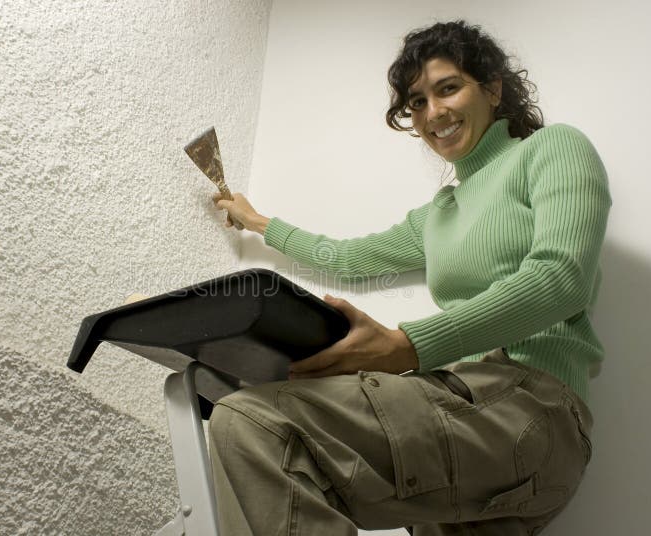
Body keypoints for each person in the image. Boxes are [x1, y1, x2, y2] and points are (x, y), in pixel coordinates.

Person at [209, 20, 611, 536]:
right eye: (416, 102)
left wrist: (409, 346)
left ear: (492, 88)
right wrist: (259, 222)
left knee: (255, 424)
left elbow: (562, 278)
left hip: (531, 407)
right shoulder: (438, 214)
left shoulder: (552, 149)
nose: (433, 113)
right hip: (479, 439)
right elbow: (348, 256)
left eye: (448, 88)